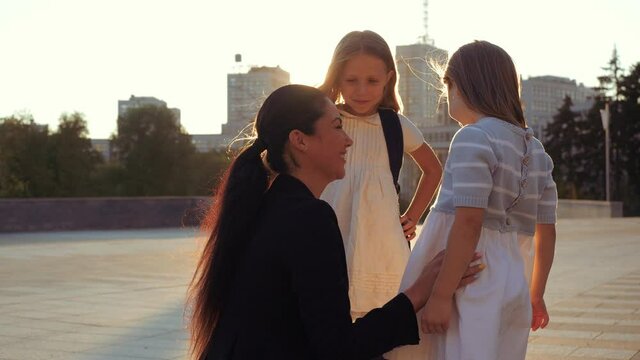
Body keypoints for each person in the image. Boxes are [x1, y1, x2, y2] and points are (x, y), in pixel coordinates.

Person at [186, 84, 483, 360]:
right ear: (299, 140)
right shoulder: (308, 218)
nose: (348, 139)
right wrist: (419, 292)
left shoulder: (267, 206)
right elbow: (338, 348)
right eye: (337, 127)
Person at [386, 41, 557, 360]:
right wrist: (537, 294)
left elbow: (468, 222)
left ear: (462, 86)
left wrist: (439, 295)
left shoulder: (473, 137)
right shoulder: (539, 155)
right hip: (511, 281)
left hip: (465, 275)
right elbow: (547, 232)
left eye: (447, 85)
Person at [318, 30, 443, 319]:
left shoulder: (395, 125)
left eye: (372, 81)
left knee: (381, 322)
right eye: (351, 80)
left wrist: (413, 216)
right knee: (329, 316)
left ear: (388, 78)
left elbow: (433, 169)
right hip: (330, 233)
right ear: (337, 78)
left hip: (382, 244)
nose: (361, 90)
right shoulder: (325, 120)